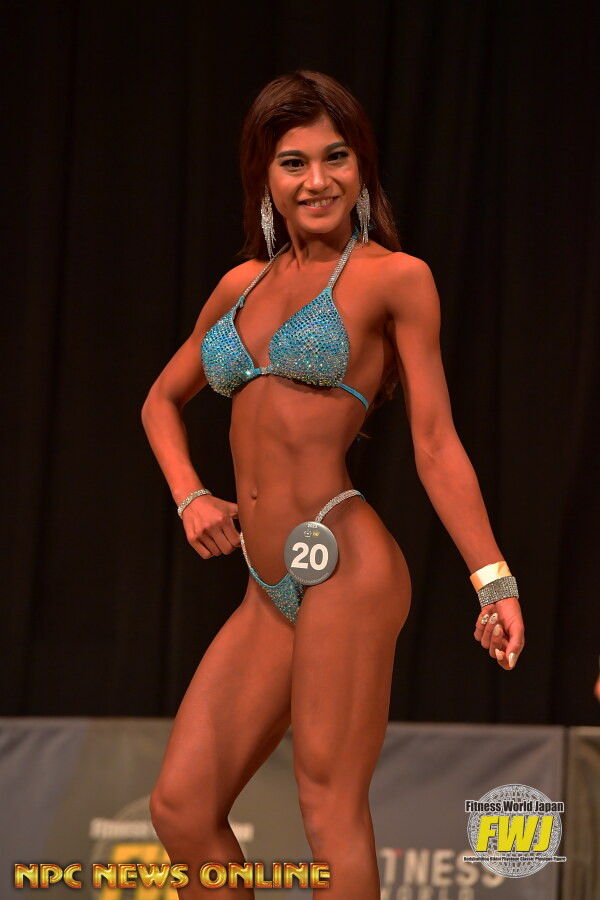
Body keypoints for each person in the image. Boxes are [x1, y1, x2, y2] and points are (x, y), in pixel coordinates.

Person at [141, 70, 525, 899]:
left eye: (336, 157)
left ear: (362, 168)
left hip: (342, 565)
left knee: (327, 805)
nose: (317, 180)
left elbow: (435, 444)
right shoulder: (240, 287)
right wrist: (190, 493)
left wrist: (493, 582)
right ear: (265, 177)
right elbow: (160, 401)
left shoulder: (395, 278)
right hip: (266, 585)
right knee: (181, 808)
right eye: (294, 162)